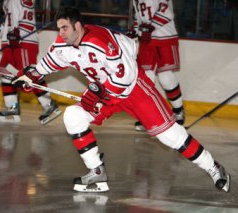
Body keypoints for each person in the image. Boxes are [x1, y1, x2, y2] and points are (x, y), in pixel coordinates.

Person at [12, 7, 230, 193]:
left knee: (170, 136)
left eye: (65, 28)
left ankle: (213, 167)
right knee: (73, 117)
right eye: (59, 28)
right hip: (103, 92)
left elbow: (124, 76)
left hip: (134, 88)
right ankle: (97, 172)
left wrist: (100, 94)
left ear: (78, 26)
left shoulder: (100, 41)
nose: (61, 33)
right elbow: (48, 64)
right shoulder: (63, 44)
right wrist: (29, 75)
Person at [0, 0, 61, 124]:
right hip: (14, 40)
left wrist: (13, 33)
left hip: (22, 41)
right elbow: (12, 18)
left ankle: (49, 104)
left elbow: (15, 19)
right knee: (5, 72)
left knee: (28, 76)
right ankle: (12, 107)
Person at [127, 0, 185, 130]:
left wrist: (151, 27)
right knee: (146, 79)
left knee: (165, 77)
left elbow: (167, 11)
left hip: (164, 38)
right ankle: (149, 117)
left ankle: (178, 111)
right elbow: (139, 17)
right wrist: (136, 32)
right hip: (147, 40)